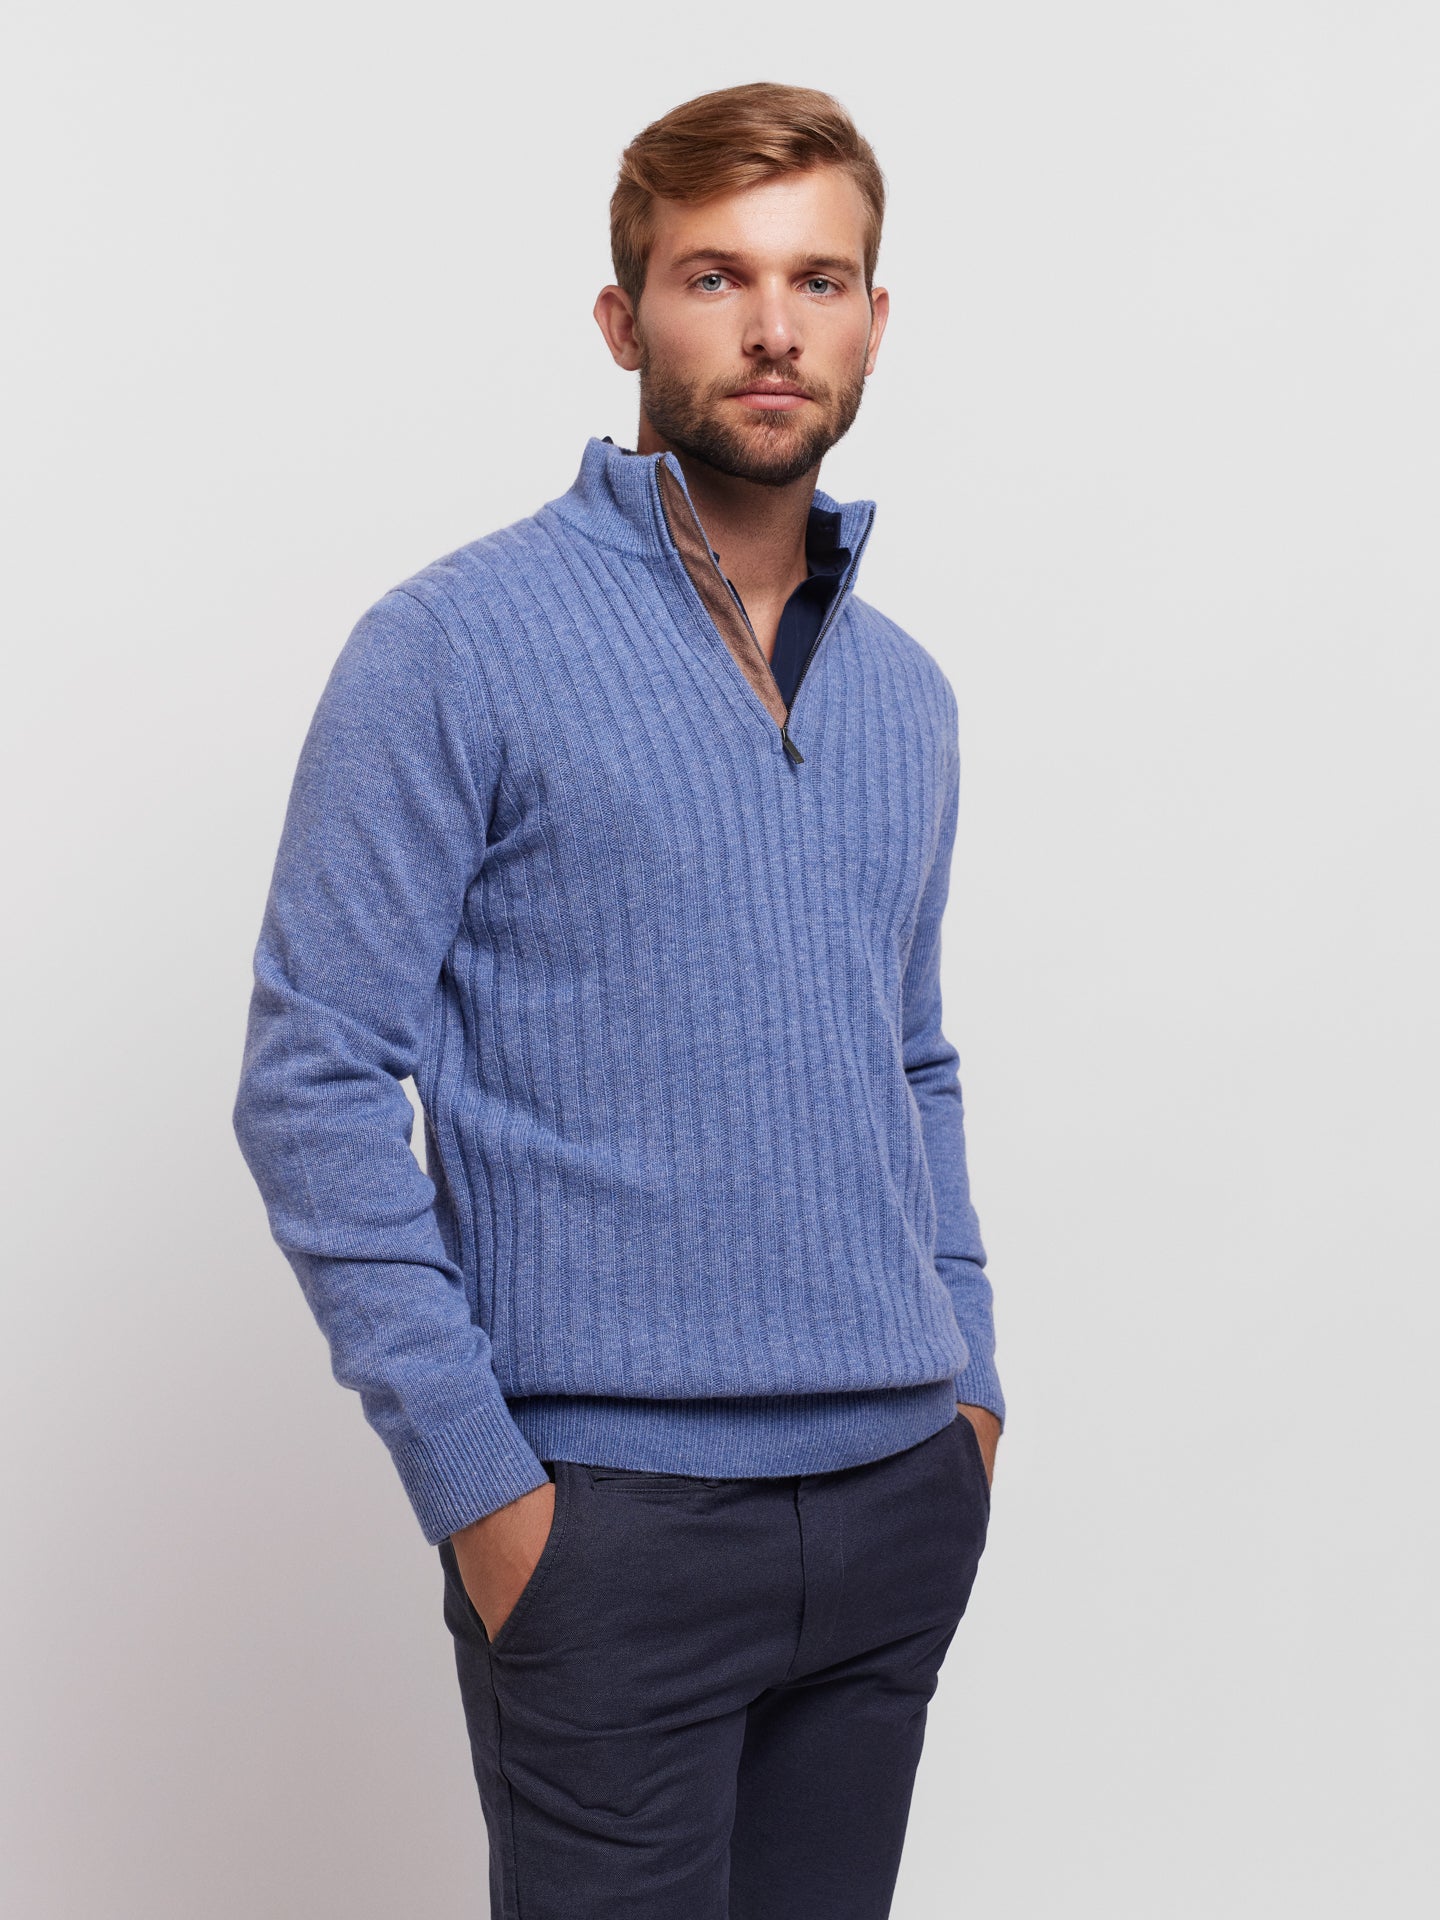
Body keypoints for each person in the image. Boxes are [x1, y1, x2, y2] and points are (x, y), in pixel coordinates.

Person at [233, 78, 1005, 1920]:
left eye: (819, 280)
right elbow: (311, 1076)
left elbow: (910, 1055)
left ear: (874, 323)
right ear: (622, 317)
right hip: (612, 1528)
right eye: (713, 276)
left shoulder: (906, 692)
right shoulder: (454, 645)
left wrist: (969, 1391)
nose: (772, 326)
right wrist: (487, 1494)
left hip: (896, 1499)